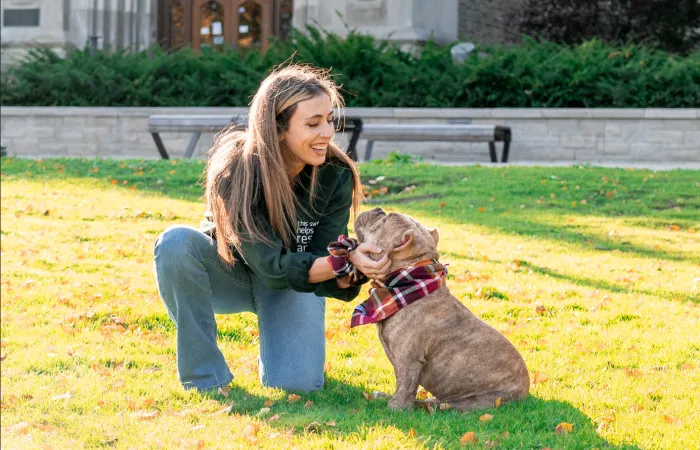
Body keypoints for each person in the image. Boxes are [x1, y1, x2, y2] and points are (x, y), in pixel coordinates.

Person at [153, 65, 392, 393]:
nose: (327, 132)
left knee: (298, 385)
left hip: (294, 284)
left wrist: (351, 266)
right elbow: (269, 264)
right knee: (175, 243)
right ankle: (206, 380)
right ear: (278, 128)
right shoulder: (236, 168)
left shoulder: (335, 174)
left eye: (329, 119)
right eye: (313, 123)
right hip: (231, 273)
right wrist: (342, 260)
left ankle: (291, 353)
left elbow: (323, 254)